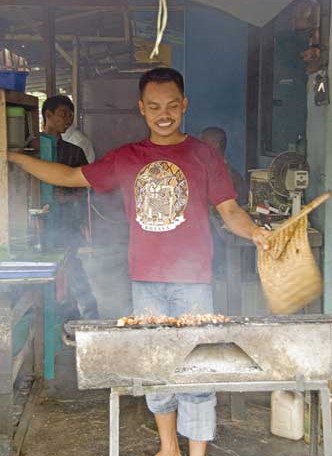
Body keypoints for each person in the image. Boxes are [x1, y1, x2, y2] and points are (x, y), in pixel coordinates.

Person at [8, 68, 269, 456]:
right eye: (154, 106)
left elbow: (230, 211)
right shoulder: (128, 158)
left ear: (184, 105)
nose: (163, 114)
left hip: (193, 281)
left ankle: (196, 452)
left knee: (197, 369)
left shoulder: (203, 156)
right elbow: (69, 175)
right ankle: (169, 447)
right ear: (141, 109)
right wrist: (13, 156)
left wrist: (257, 234)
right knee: (155, 365)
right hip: (145, 280)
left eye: (171, 105)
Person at [40, 95, 99, 320]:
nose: (68, 119)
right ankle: (54, 314)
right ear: (48, 115)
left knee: (72, 267)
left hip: (68, 221)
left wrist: (66, 196)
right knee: (46, 272)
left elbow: (87, 187)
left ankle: (88, 314)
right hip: (40, 223)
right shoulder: (33, 149)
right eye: (64, 114)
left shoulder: (75, 152)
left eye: (70, 115)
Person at [200, 126, 249, 205]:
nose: (199, 148)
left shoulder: (227, 176)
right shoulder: (207, 171)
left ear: (217, 145)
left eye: (203, 144)